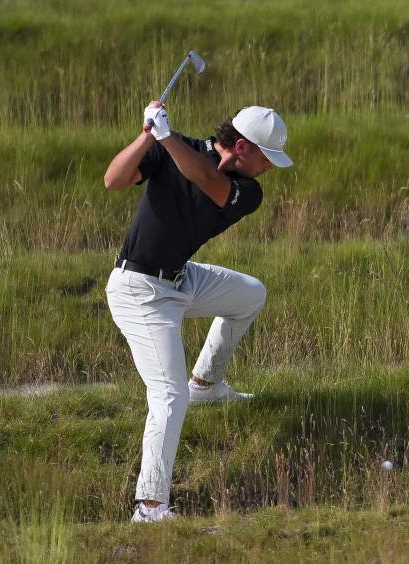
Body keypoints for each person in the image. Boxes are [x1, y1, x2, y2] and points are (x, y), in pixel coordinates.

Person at [103, 100, 293, 523]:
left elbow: (207, 180)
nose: (270, 167)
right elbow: (113, 180)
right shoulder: (172, 148)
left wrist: (167, 137)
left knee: (250, 295)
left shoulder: (248, 192)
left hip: (180, 279)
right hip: (139, 291)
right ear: (242, 147)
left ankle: (206, 384)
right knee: (169, 396)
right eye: (266, 157)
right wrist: (148, 136)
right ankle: (150, 507)